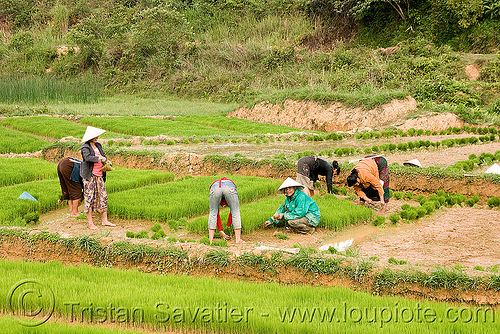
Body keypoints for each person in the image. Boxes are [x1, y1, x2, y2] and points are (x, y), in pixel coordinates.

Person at [80, 126, 115, 230]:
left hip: (99, 174)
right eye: (95, 136)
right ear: (90, 137)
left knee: (103, 196)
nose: (97, 137)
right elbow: (87, 158)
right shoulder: (85, 147)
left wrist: (107, 161)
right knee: (89, 197)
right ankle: (90, 223)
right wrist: (98, 158)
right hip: (89, 176)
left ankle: (104, 220)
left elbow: (103, 155)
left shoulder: (98, 145)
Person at [208, 177, 244, 244]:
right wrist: (222, 231)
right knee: (235, 211)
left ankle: (210, 240)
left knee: (213, 212)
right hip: (229, 187)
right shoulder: (229, 182)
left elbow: (216, 214)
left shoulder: (216, 184)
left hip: (214, 187)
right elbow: (233, 212)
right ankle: (238, 240)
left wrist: (228, 225)